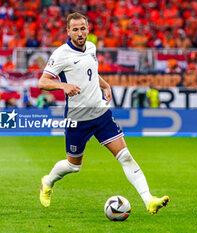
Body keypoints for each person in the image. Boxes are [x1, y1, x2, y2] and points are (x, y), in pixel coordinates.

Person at [38, 12, 169, 214]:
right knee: (73, 166)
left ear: (88, 29)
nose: (80, 33)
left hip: (101, 113)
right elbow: (43, 82)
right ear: (68, 31)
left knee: (125, 156)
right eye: (75, 29)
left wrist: (105, 85)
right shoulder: (61, 54)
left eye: (83, 28)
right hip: (78, 118)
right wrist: (63, 86)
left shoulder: (91, 47)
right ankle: (47, 182)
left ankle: (148, 200)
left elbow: (90, 71)